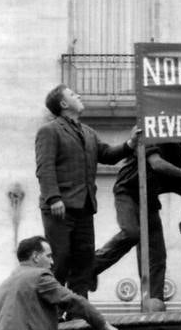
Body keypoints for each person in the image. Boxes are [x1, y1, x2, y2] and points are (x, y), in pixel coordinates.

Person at [35, 85, 139, 297]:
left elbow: (108, 154)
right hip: (60, 208)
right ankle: (51, 312)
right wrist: (54, 198)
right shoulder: (49, 131)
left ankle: (78, 314)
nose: (79, 95)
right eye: (73, 95)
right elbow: (44, 167)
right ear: (64, 104)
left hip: (84, 208)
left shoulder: (88, 133)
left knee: (84, 263)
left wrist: (130, 143)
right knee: (60, 260)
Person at [93, 143, 181, 308]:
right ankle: (91, 266)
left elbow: (178, 185)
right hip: (128, 192)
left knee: (157, 256)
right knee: (131, 233)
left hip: (149, 200)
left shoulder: (177, 147)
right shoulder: (154, 132)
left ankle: (154, 301)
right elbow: (156, 164)